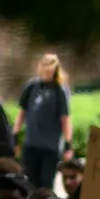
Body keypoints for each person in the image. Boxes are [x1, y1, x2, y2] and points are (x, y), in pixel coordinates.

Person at [18, 54, 73, 189]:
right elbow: (22, 112)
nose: (46, 73)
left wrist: (68, 145)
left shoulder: (60, 90)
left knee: (46, 184)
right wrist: (15, 135)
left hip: (50, 146)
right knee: (30, 184)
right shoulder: (32, 86)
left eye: (50, 71)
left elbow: (65, 119)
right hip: (31, 144)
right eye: (44, 70)